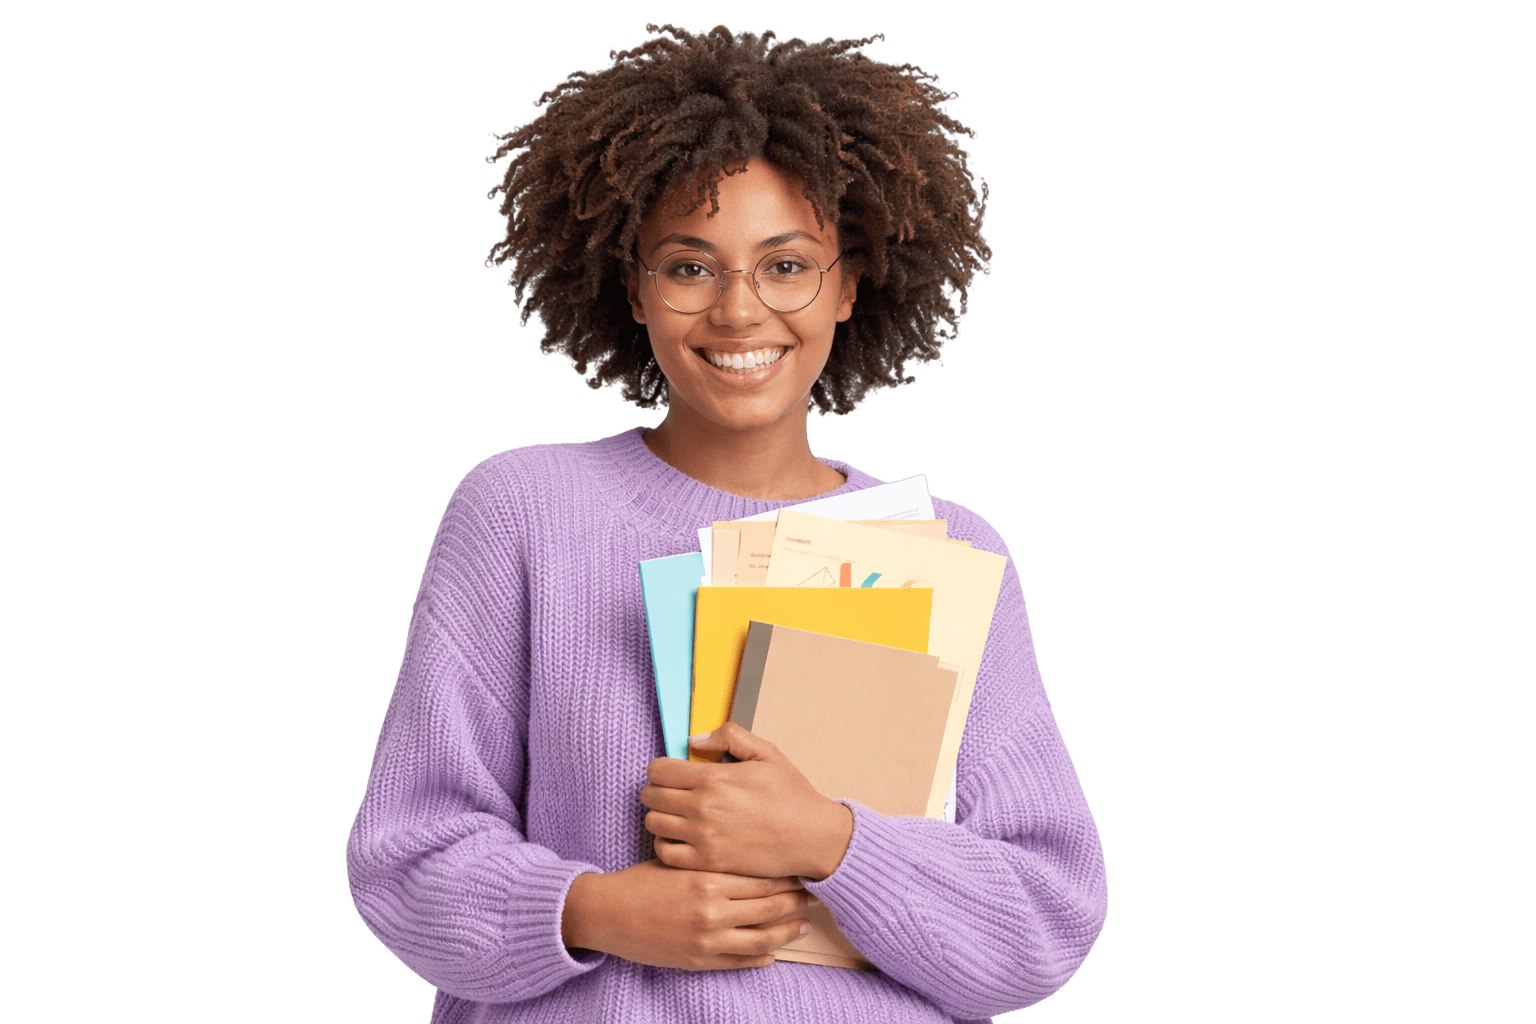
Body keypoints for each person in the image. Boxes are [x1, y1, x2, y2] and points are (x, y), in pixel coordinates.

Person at [346, 23, 1106, 1023]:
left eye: (786, 266)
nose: (739, 312)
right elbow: (407, 859)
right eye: (690, 267)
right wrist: (599, 910)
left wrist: (831, 841)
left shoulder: (955, 552)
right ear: (633, 286)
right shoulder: (522, 511)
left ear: (849, 282)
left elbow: (1043, 919)